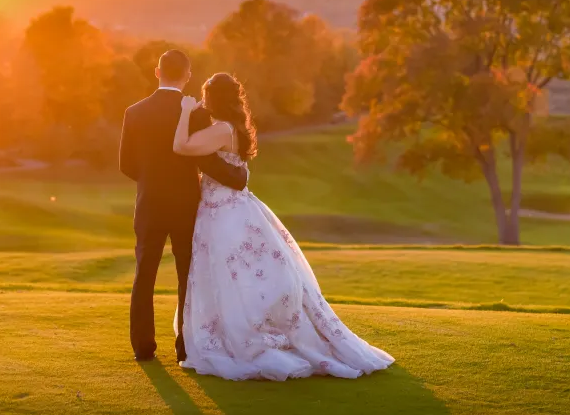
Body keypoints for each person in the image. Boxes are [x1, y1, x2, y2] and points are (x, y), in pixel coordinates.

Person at [172, 72, 394, 380]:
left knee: (226, 274)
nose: (202, 101)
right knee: (237, 275)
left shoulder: (221, 129)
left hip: (220, 214)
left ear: (215, 100)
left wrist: (185, 111)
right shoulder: (233, 128)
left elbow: (181, 146)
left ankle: (242, 336)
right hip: (234, 208)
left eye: (206, 96)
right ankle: (248, 328)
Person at [119, 50, 249, 363]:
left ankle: (143, 348)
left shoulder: (134, 112)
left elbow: (126, 165)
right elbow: (206, 157)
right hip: (187, 204)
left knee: (144, 274)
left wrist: (152, 181)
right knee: (187, 275)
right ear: (187, 76)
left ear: (156, 72)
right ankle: (185, 347)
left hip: (149, 203)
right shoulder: (199, 114)